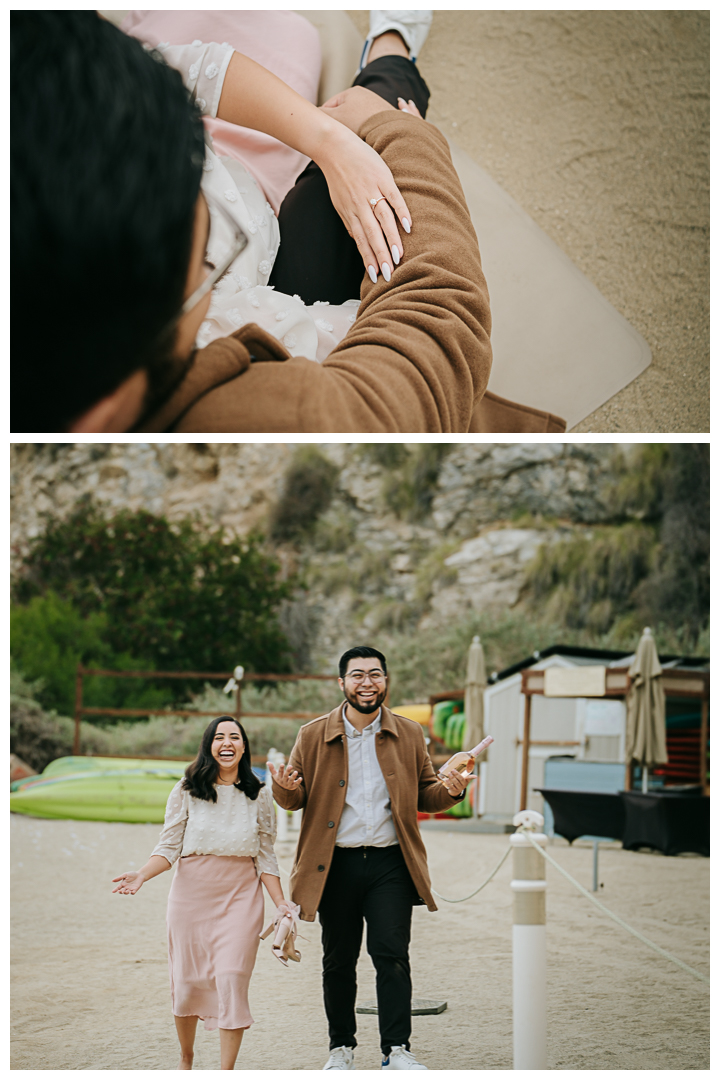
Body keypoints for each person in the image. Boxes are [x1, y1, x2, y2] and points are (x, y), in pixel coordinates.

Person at [13, 11, 563, 433]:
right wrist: (403, 136)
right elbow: (434, 327)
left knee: (339, 161)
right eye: (207, 257)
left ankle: (387, 66)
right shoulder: (272, 419)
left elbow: (185, 68)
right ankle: (393, 55)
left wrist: (328, 141)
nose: (216, 242)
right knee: (373, 150)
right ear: (102, 412)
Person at [269, 646, 474, 1070]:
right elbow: (295, 798)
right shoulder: (311, 735)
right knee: (338, 960)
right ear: (341, 683)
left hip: (390, 865)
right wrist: (285, 789)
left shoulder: (409, 733)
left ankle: (396, 1050)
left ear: (386, 680)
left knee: (391, 954)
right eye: (358, 675)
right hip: (334, 865)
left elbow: (426, 794)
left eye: (375, 674)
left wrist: (453, 787)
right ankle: (340, 1050)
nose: (367, 682)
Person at [112, 716, 292, 1071]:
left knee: (232, 978)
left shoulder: (260, 793)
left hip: (241, 898)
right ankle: (186, 1057)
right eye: (219, 737)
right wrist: (142, 874)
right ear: (209, 745)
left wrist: (281, 902)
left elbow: (266, 856)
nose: (227, 743)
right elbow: (168, 847)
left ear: (243, 746)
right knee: (188, 982)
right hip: (191, 897)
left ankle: (226, 1072)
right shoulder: (187, 789)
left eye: (234, 737)